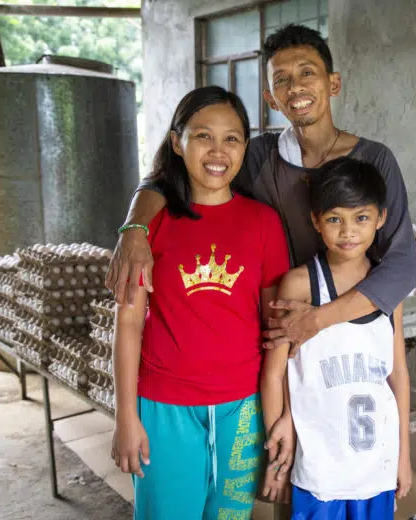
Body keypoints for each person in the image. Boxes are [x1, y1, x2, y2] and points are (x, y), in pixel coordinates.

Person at [105, 23, 416, 364]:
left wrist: (317, 319)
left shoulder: (373, 159)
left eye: (307, 72)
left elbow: (402, 266)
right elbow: (168, 179)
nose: (295, 86)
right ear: (270, 97)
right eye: (281, 79)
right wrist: (134, 229)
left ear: (333, 83)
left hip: (353, 326)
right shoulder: (259, 157)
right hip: (281, 329)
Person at [110, 86, 291, 519]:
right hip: (163, 409)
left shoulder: (263, 222)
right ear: (177, 142)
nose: (218, 150)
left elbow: (275, 332)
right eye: (203, 136)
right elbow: (129, 324)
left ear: (245, 147)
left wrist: (279, 416)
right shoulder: (150, 223)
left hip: (242, 411)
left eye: (232, 138)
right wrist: (125, 417)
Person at [262, 157, 412, 519]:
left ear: (380, 218)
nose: (348, 232)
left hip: (375, 468)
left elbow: (399, 375)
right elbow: (272, 374)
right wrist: (280, 445)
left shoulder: (387, 288)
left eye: (361, 218)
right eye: (334, 219)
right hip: (319, 471)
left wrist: (403, 455)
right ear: (316, 221)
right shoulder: (300, 285)